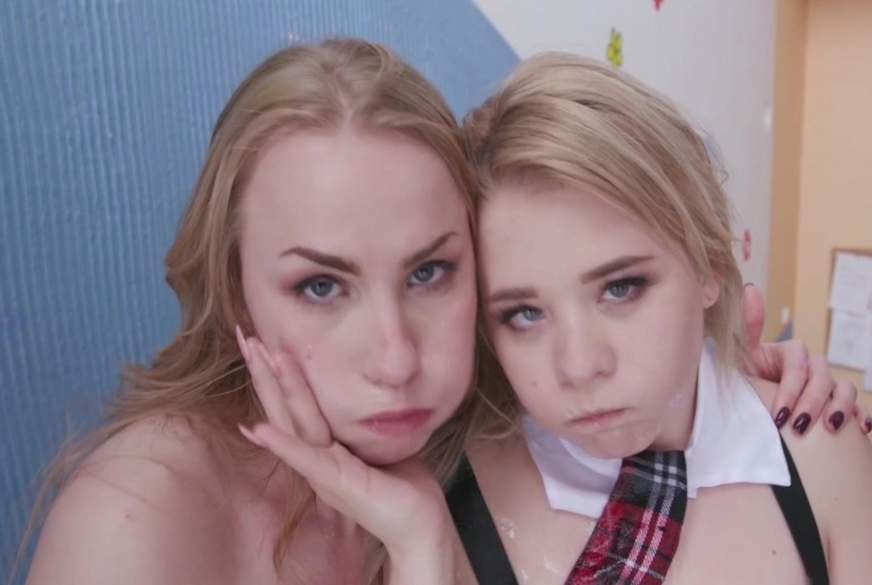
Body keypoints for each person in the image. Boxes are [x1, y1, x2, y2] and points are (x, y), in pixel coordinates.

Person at [19, 38, 860, 585]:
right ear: (234, 288)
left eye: (429, 272)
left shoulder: (464, 430)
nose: (397, 359)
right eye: (321, 286)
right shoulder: (135, 520)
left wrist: (726, 364)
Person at [457, 52, 872, 584]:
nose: (580, 365)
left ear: (710, 264)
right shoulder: (452, 497)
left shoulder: (820, 458)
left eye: (621, 287)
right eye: (523, 314)